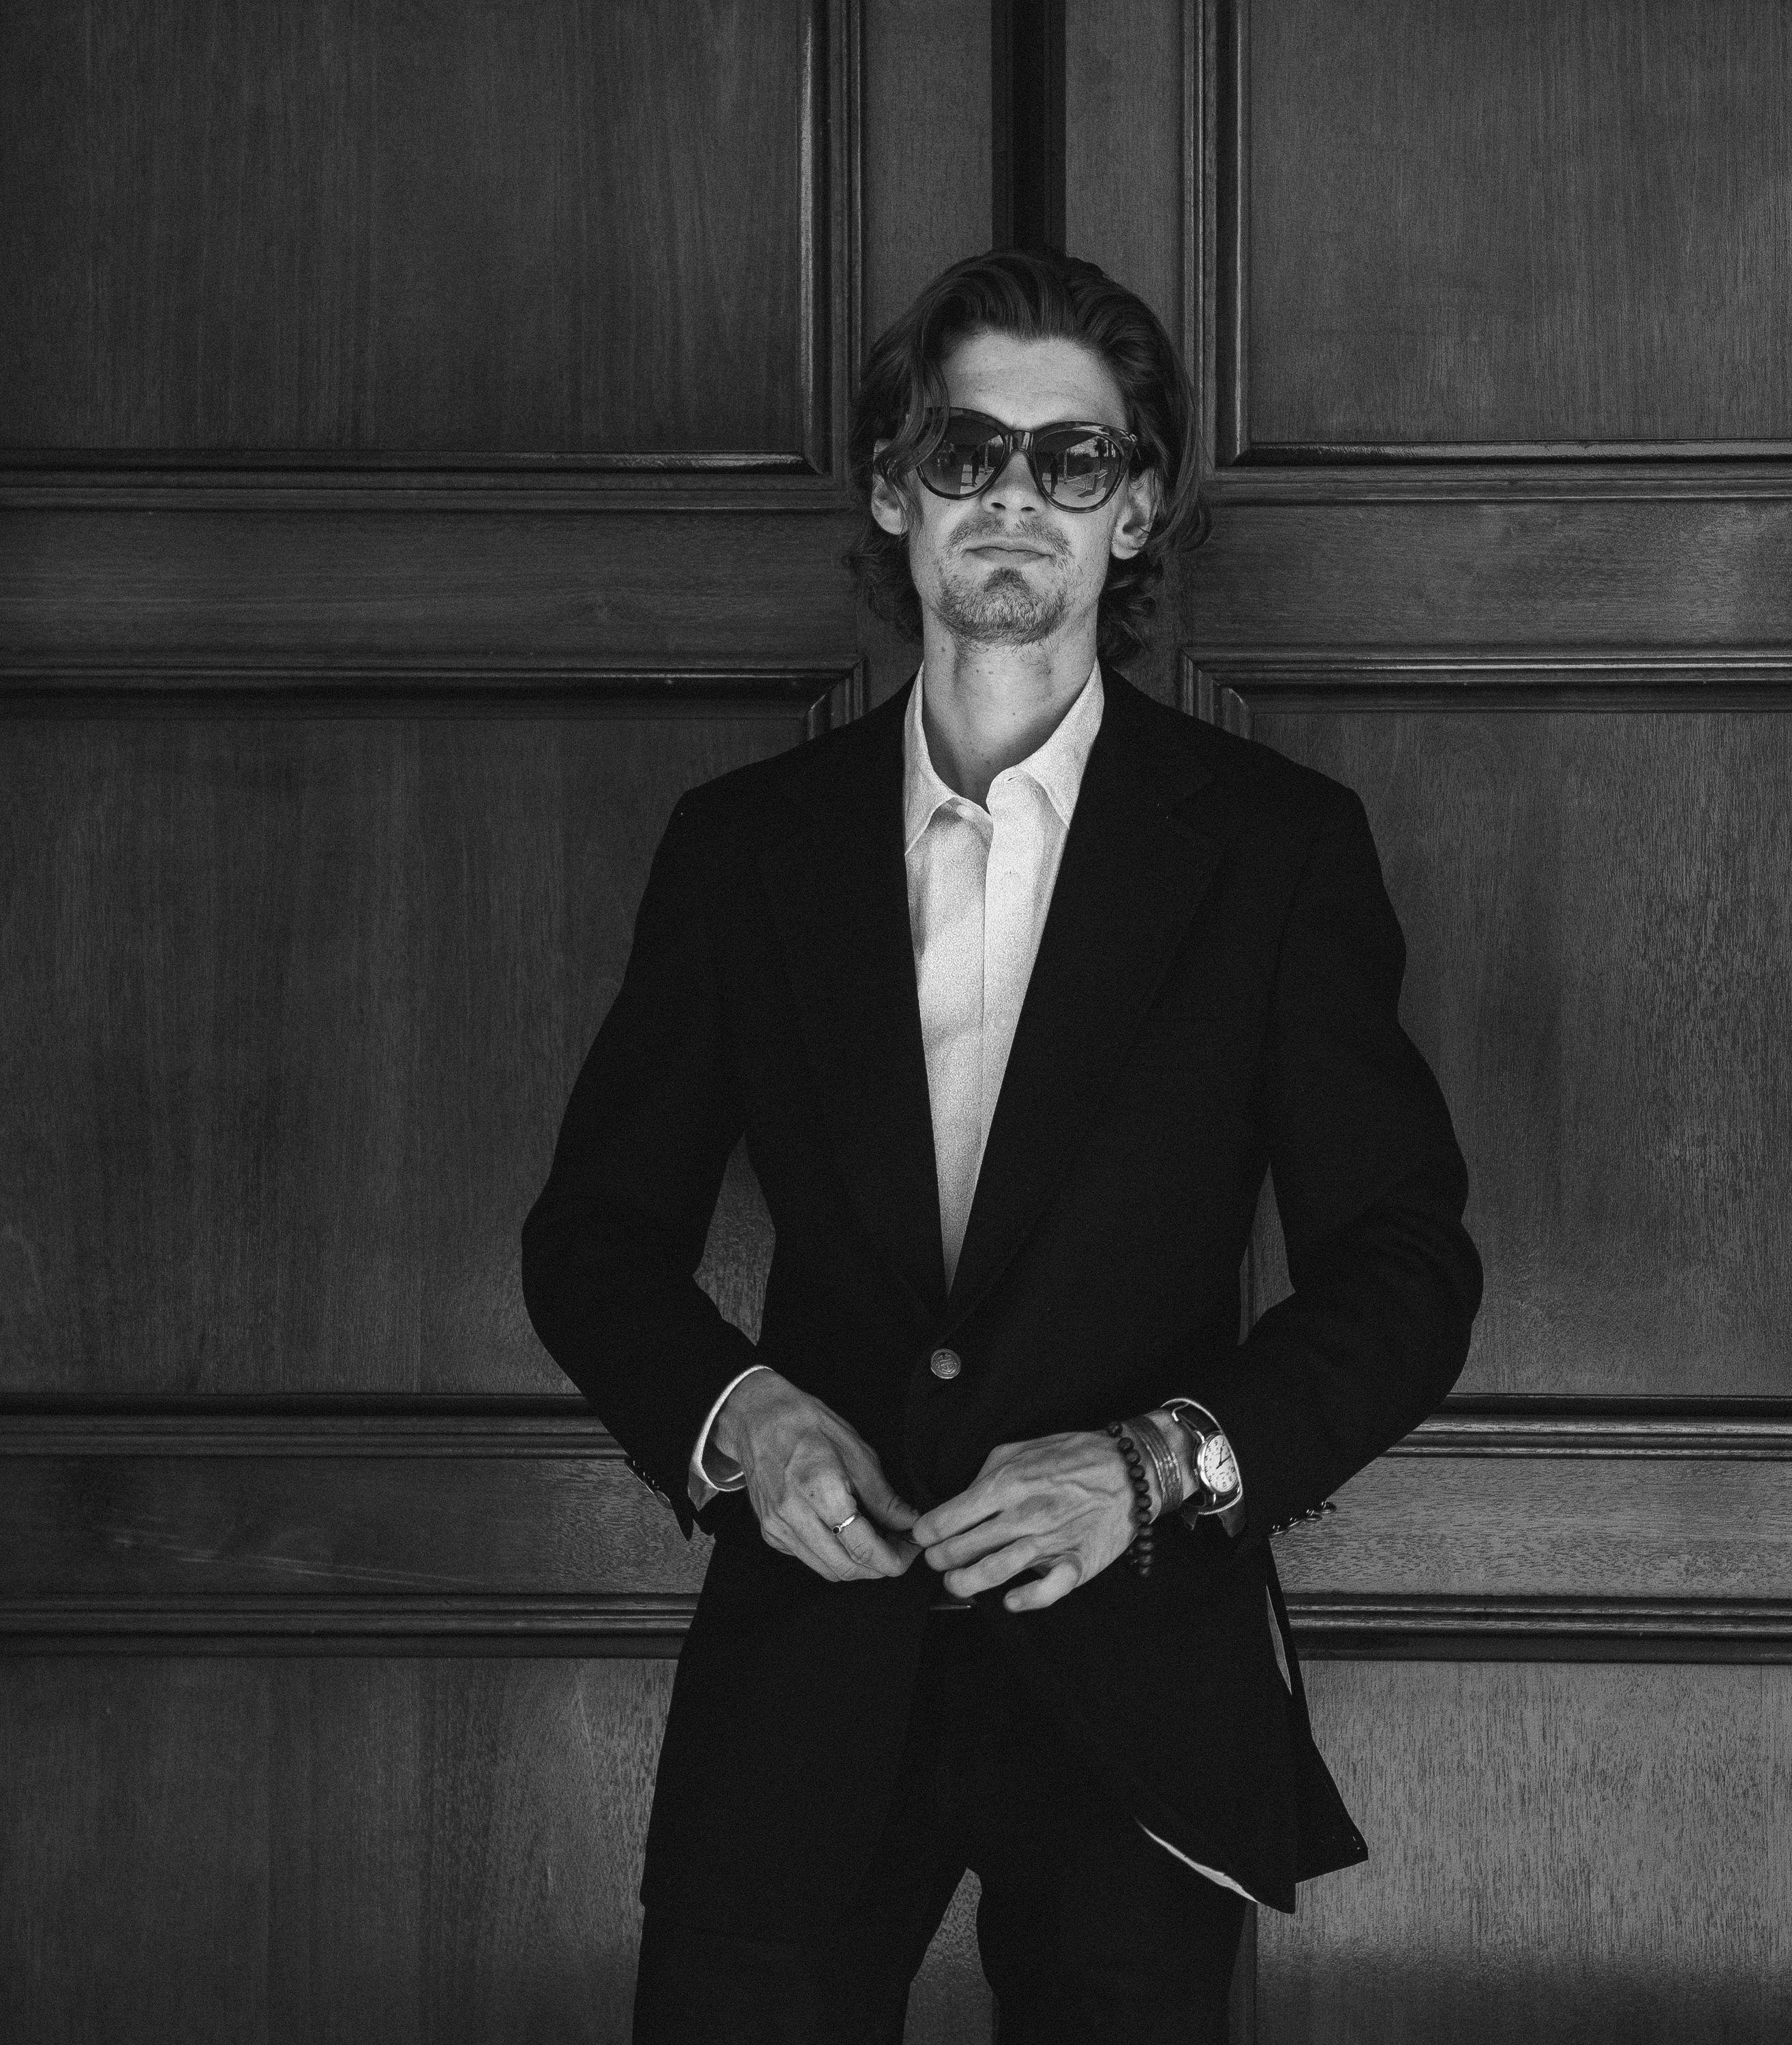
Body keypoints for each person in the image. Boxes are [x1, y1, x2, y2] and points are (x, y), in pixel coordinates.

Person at [521, 247, 1481, 2044]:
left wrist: (1154, 1467)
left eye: (1074, 457)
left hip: (1135, 1670)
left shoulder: (1274, 851)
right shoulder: (744, 849)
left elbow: (1409, 1270)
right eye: (967, 452)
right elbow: (591, 1240)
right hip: (809, 1666)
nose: (1016, 498)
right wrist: (743, 1420)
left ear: (1136, 508)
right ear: (898, 491)